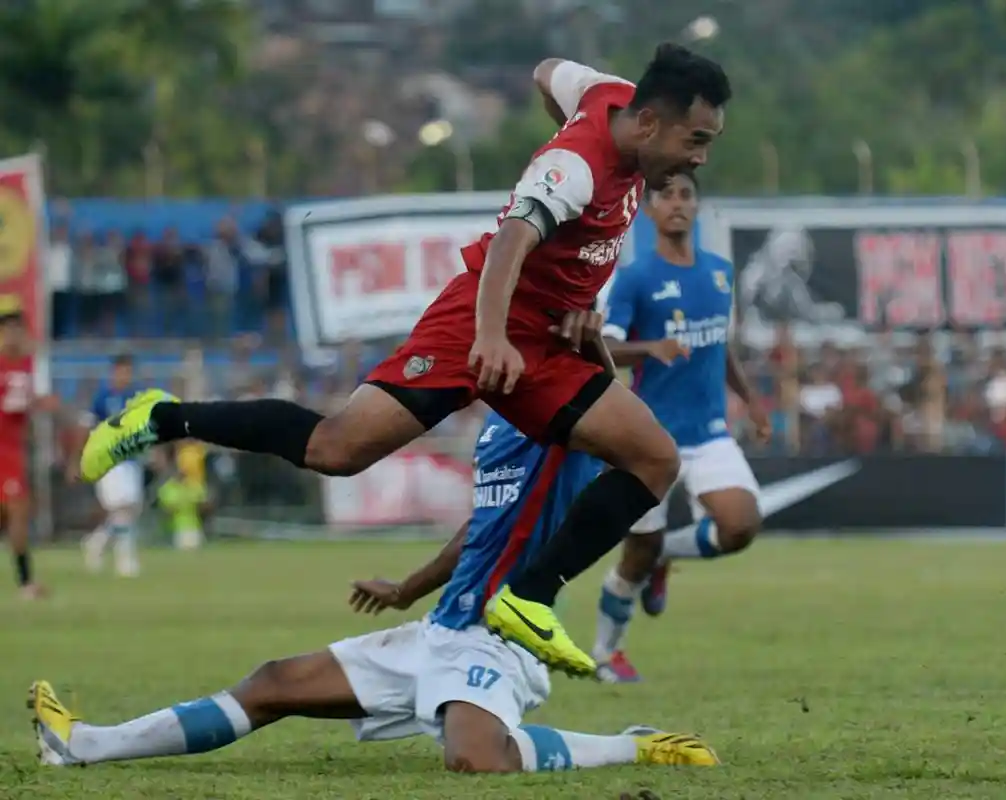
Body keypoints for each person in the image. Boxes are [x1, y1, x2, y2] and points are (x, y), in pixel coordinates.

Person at [78, 44, 733, 677]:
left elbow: (544, 71)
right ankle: (163, 417)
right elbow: (511, 240)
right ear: (648, 120)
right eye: (695, 140)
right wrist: (490, 335)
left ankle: (528, 598)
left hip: (546, 341)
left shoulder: (600, 94)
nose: (699, 159)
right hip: (481, 323)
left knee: (653, 457)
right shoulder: (577, 166)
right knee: (337, 450)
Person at [29, 410, 719, 773]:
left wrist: (584, 333)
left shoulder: (568, 417)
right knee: (273, 683)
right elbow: (482, 532)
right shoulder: (502, 427)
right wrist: (407, 589)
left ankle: (632, 747)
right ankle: (84, 743)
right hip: (442, 630)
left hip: (500, 638)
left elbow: (603, 393)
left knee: (477, 760)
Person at [593, 173, 771, 683]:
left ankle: (667, 555)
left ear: (697, 207)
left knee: (740, 525)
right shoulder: (635, 278)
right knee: (635, 551)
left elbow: (720, 345)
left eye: (685, 195)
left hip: (709, 430)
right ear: (648, 210)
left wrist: (752, 403)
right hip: (650, 438)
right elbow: (604, 346)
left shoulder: (719, 273)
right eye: (665, 195)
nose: (676, 203)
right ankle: (607, 653)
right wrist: (649, 348)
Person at [0, 295, 52, 599]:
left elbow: (31, 403)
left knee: (19, 513)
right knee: (16, 511)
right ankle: (25, 583)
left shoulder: (29, 364)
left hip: (13, 450)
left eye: (16, 324)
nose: (12, 331)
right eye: (7, 325)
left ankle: (25, 582)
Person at [79, 354, 146, 576]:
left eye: (128, 371)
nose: (124, 375)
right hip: (110, 461)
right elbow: (88, 426)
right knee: (122, 507)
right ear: (113, 372)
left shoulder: (135, 398)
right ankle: (125, 560)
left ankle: (96, 543)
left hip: (131, 461)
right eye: (121, 371)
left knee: (128, 510)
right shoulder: (102, 397)